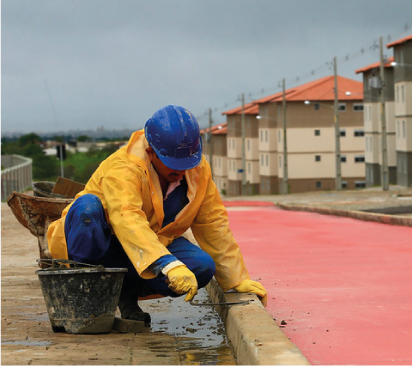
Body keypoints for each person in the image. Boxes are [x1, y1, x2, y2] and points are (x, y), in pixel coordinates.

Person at [46, 104, 266, 325]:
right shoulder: (123, 167)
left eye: (186, 164)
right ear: (151, 152)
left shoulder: (197, 168)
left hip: (147, 247)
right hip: (102, 244)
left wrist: (235, 280)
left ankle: (125, 292)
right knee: (88, 207)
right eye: (173, 164)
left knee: (201, 266)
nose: (181, 171)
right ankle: (85, 300)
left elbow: (213, 222)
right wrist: (168, 264)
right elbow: (127, 218)